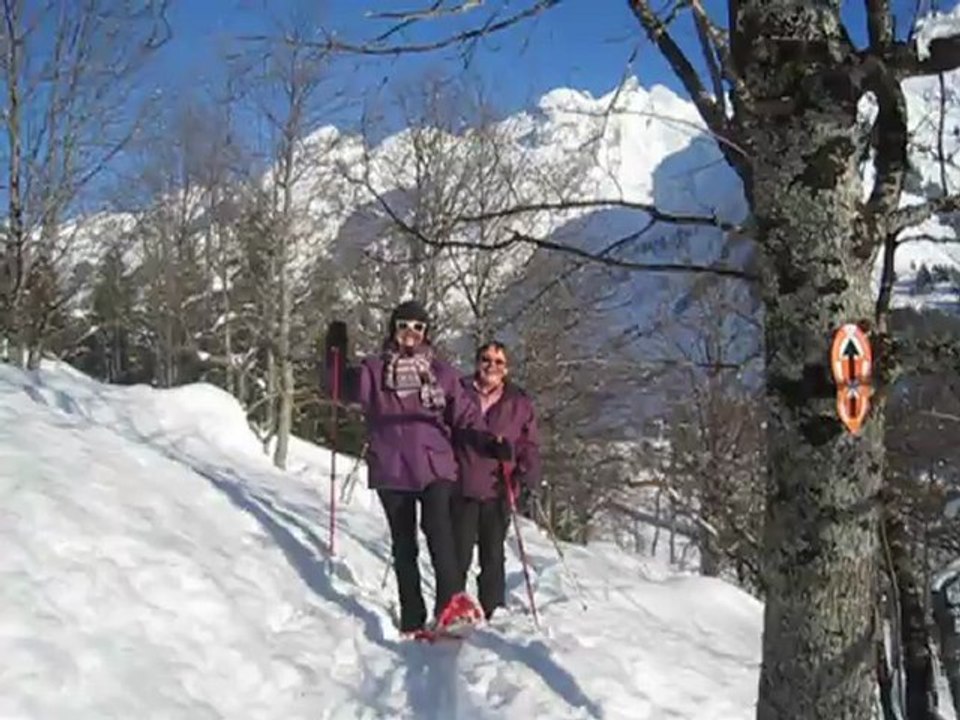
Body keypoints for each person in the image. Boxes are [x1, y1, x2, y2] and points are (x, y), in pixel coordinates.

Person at [323, 300, 509, 634]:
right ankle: (412, 617)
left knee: (440, 531)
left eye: (418, 327)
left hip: (433, 465)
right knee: (403, 542)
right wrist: (335, 351)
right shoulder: (374, 370)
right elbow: (338, 389)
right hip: (392, 467)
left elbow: (465, 416)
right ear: (393, 329)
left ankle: (450, 607)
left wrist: (488, 442)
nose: (411, 333)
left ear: (426, 333)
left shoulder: (441, 373)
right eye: (404, 325)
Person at [453, 340, 541, 621]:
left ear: (507, 368)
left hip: (499, 487)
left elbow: (529, 444)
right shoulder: (459, 391)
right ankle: (452, 608)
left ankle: (493, 611)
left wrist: (529, 476)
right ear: (477, 362)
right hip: (462, 483)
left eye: (498, 362)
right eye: (486, 359)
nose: (491, 366)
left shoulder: (519, 402)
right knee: (458, 554)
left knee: (492, 555)